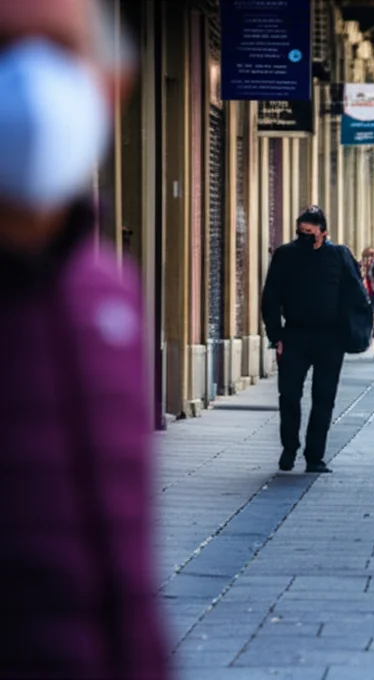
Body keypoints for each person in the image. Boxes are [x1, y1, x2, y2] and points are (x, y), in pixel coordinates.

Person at [0, 1, 169, 676]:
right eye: (5, 46)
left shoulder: (108, 290)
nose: (30, 80)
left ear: (110, 85)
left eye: (60, 50)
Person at [261, 205, 366, 474]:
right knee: (289, 395)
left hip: (330, 339)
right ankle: (289, 448)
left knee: (324, 397)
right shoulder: (285, 255)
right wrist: (276, 336)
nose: (304, 236)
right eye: (300, 231)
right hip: (294, 336)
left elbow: (356, 295)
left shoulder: (339, 256)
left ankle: (314, 457)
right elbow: (270, 297)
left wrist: (355, 331)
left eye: (309, 232)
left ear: (323, 232)